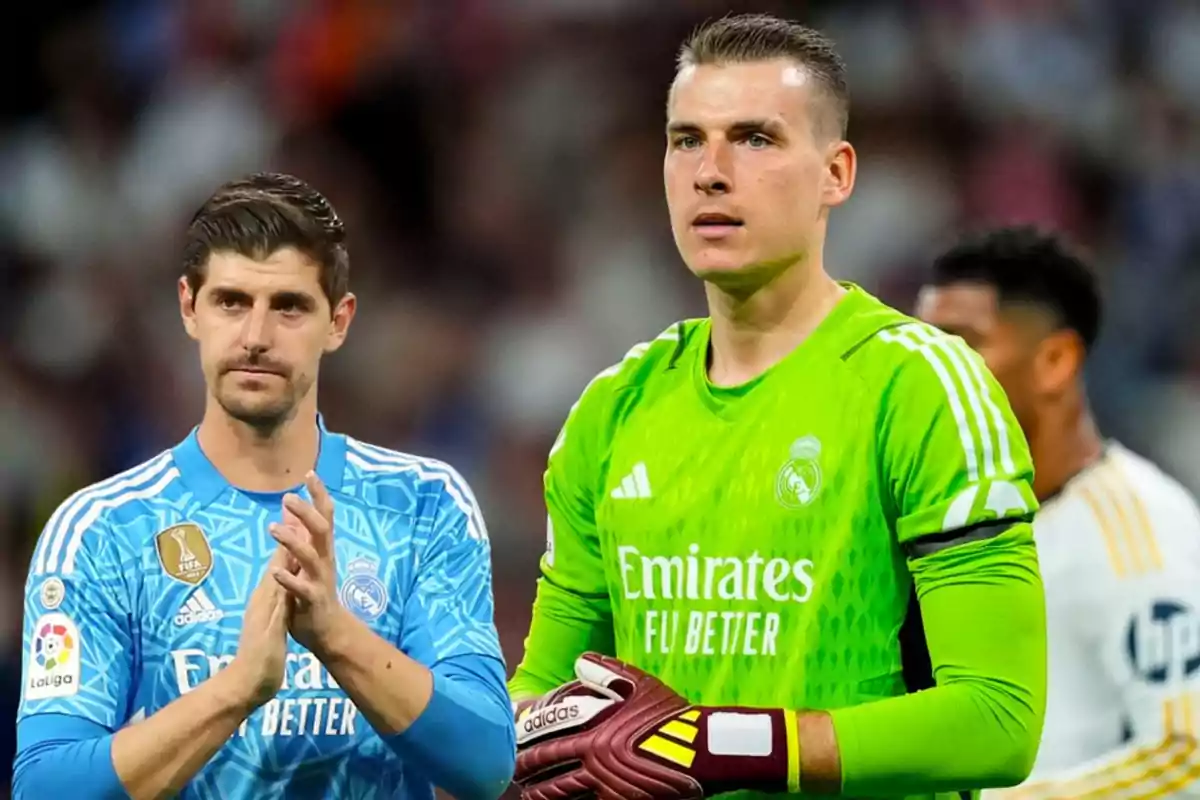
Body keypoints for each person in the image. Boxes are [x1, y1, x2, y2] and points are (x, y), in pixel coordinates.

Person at [507, 13, 1046, 800]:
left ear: (837, 174)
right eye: (686, 139)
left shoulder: (919, 387)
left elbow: (1000, 720)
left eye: (755, 139)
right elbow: (544, 688)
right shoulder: (612, 409)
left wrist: (716, 744)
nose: (710, 172)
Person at [13, 173, 515, 799]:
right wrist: (235, 688)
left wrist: (335, 634)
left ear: (338, 320)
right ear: (188, 307)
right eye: (230, 301)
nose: (255, 336)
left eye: (289, 306)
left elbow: (489, 761)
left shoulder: (421, 505)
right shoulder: (104, 531)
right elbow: (44, 787)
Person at [916, 226, 1200, 799]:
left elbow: (1187, 755)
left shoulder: (1135, 531)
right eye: (920, 348)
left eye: (959, 344)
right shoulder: (945, 522)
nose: (929, 373)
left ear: (1054, 360)